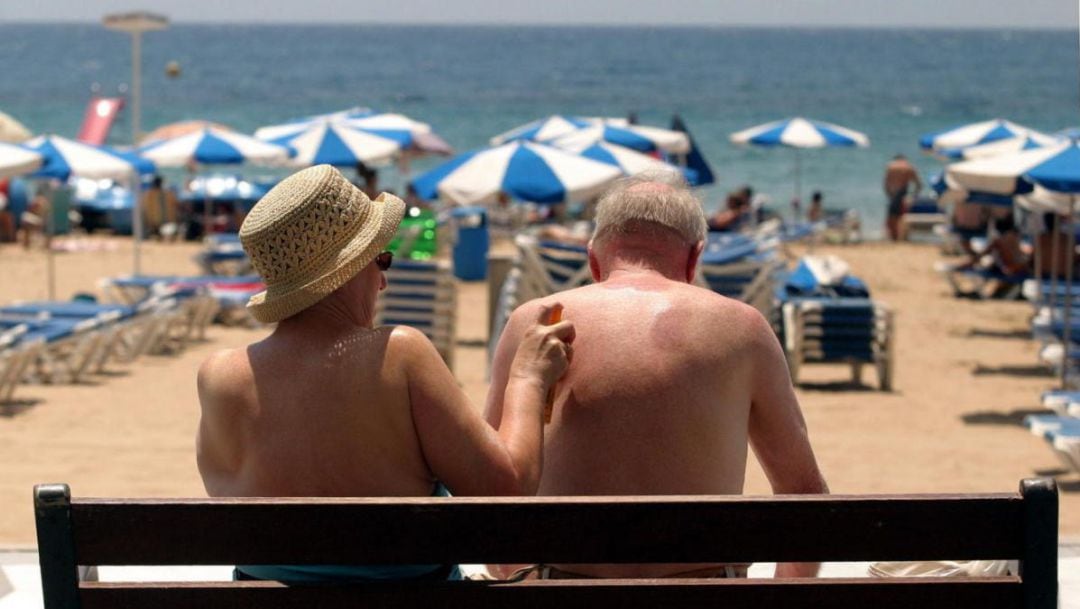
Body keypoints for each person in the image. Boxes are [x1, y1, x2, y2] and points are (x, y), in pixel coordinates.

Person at [196, 165, 575, 583]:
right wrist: (528, 379)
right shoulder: (398, 354)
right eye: (382, 260)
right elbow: (507, 495)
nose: (383, 284)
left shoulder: (219, 377)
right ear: (350, 270)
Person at [486, 172, 828, 580]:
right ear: (694, 257)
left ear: (594, 259)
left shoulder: (536, 323)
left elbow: (487, 490)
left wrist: (519, 577)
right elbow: (805, 499)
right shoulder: (743, 329)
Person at [883, 154, 922, 241]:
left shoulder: (890, 167)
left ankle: (893, 238)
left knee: (892, 217)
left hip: (893, 195)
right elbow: (919, 185)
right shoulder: (909, 167)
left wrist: (889, 195)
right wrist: (912, 196)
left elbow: (886, 184)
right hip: (903, 193)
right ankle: (901, 237)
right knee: (901, 217)